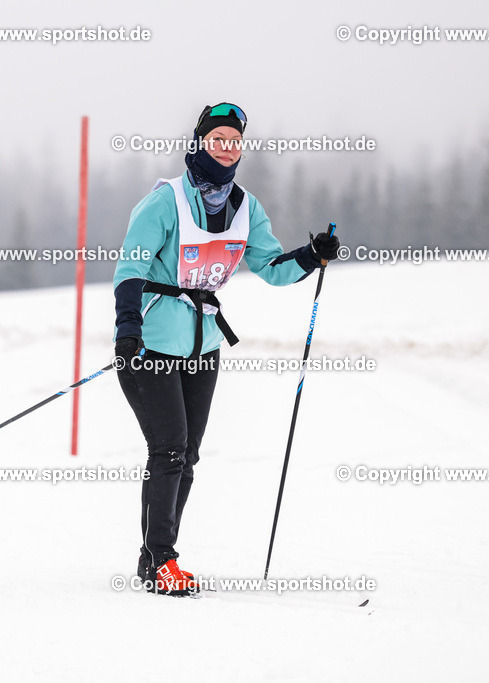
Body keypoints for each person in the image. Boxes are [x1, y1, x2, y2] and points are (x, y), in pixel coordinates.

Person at [112, 103, 340, 596]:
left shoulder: (246, 208)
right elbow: (129, 267)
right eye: (218, 140)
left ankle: (152, 556)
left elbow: (272, 266)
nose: (227, 149)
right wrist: (126, 327)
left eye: (234, 142)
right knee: (168, 448)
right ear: (199, 144)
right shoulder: (164, 203)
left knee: (186, 454)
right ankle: (162, 562)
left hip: (203, 345)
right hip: (149, 345)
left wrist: (312, 255)